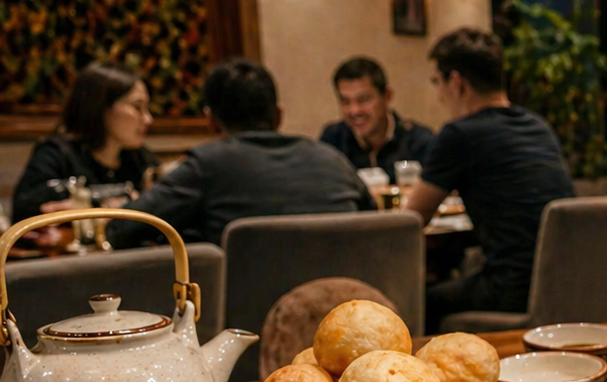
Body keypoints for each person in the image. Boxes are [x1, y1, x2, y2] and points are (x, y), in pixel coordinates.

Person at [400, 28, 576, 332]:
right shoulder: (537, 126)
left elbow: (410, 220)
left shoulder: (459, 134)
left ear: (456, 82)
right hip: (567, 284)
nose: (439, 95)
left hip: (513, 292)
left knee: (412, 304)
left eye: (437, 83)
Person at [107, 59, 373, 248]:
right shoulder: (333, 159)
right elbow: (374, 224)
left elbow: (121, 230)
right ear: (279, 115)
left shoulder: (205, 166)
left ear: (211, 120)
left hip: (238, 324)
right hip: (336, 314)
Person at [11, 61, 158, 222]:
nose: (148, 119)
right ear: (100, 105)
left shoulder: (140, 158)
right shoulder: (56, 154)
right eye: (138, 107)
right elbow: (23, 215)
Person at [318, 56, 436, 180]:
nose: (354, 110)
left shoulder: (419, 143)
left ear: (387, 96)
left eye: (363, 100)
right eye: (345, 101)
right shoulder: (333, 140)